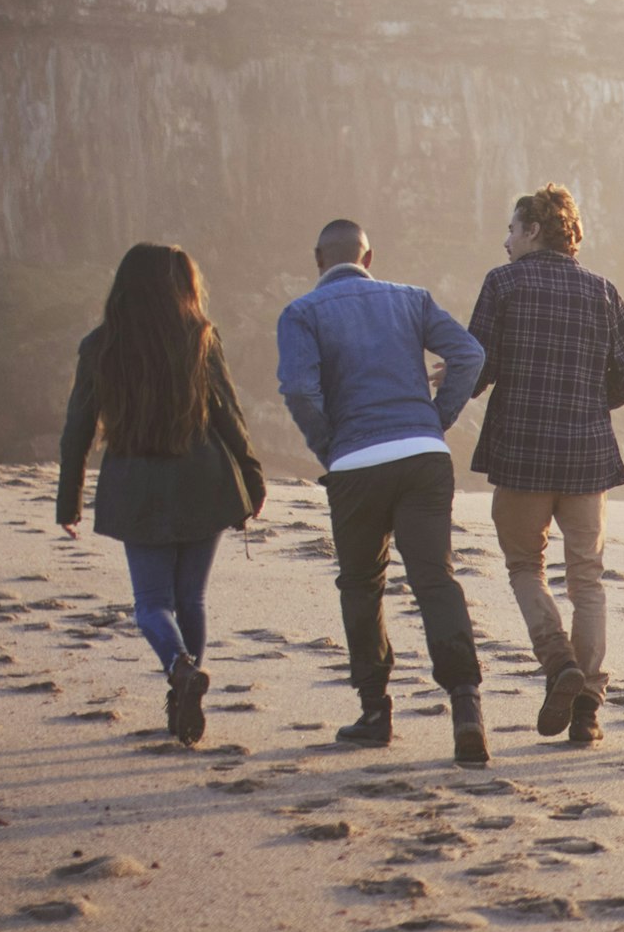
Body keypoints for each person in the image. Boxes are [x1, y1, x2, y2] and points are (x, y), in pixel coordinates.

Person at [275, 216, 490, 762]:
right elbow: (469, 355)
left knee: (362, 585)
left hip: (355, 462)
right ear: (368, 259)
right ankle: (466, 706)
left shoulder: (300, 313)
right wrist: (436, 418)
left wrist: (331, 446)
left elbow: (300, 389)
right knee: (435, 579)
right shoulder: (412, 299)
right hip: (422, 456)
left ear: (319, 259)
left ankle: (375, 713)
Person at [54, 242, 265, 748]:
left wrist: (69, 500)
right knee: (190, 597)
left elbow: (77, 429)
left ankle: (179, 670)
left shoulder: (101, 345)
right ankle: (184, 687)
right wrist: (252, 480)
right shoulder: (200, 337)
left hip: (136, 484)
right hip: (204, 478)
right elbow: (229, 416)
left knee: (151, 603)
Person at [466, 183, 624, 748]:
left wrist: (444, 389)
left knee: (525, 565)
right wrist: (592, 404)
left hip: (521, 451)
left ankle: (557, 660)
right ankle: (588, 703)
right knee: (587, 578)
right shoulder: (602, 291)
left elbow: (479, 364)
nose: (506, 241)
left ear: (534, 230)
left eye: (512, 230)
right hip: (587, 457)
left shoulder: (504, 284)